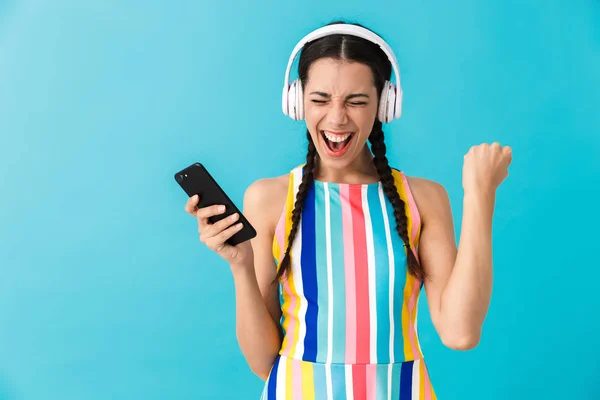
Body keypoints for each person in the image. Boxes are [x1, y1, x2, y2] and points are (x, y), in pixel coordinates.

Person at [185, 21, 512, 399]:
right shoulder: (269, 198)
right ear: (296, 100)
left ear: (385, 104)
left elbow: (461, 332)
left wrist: (479, 194)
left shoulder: (423, 199)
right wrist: (240, 265)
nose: (337, 118)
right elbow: (263, 363)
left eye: (356, 101)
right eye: (320, 99)